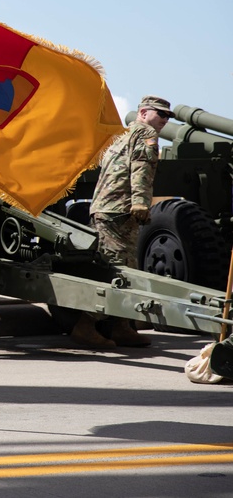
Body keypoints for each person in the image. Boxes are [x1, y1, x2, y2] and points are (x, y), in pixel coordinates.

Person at [76, 95, 174, 348]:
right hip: (119, 211)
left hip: (109, 209)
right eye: (159, 114)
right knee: (118, 270)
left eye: (167, 116)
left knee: (124, 266)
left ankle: (121, 326)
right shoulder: (145, 135)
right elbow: (141, 168)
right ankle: (85, 326)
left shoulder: (121, 137)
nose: (164, 120)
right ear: (143, 113)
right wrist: (140, 202)